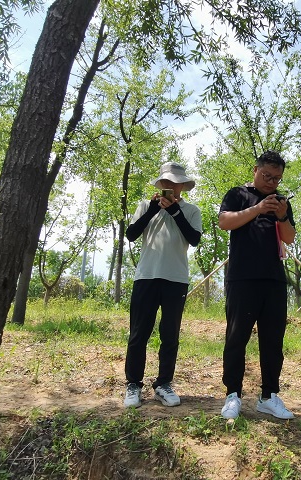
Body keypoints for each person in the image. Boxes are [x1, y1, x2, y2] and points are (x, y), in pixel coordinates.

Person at [218, 150, 296, 420]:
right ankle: (233, 395)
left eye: (277, 178)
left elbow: (289, 238)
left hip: (274, 279)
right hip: (242, 278)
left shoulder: (281, 202)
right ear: (255, 170)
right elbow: (224, 222)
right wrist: (258, 208)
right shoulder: (238, 195)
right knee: (236, 337)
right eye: (267, 176)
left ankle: (269, 396)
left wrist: (282, 216)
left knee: (273, 340)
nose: (272, 182)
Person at [123, 162, 202, 408]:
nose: (171, 186)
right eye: (166, 182)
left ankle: (163, 383)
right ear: (160, 184)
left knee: (170, 334)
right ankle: (133, 384)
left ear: (182, 186)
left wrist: (175, 212)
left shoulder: (191, 210)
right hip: (146, 276)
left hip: (176, 279)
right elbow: (131, 234)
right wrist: (153, 210)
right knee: (139, 333)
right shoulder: (146, 206)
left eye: (175, 182)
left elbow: (194, 239)